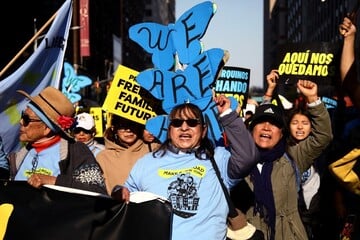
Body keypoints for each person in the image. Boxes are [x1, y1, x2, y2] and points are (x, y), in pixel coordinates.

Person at [112, 95, 260, 240]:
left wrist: (228, 115)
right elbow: (125, 196)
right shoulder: (147, 162)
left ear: (203, 130)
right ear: (170, 130)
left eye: (192, 122)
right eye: (177, 123)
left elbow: (248, 157)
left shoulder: (218, 158)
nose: (184, 128)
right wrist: (118, 191)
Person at [245, 80, 332, 240]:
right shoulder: (238, 161)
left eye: (273, 124)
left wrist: (313, 99)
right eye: (261, 122)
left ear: (281, 133)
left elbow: (323, 135)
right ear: (251, 129)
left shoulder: (293, 156)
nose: (266, 127)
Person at [9, 86, 107, 194]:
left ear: (46, 128)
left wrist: (54, 181)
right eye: (22, 116)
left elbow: (97, 189)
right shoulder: (20, 155)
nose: (21, 122)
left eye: (27, 119)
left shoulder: (76, 151)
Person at [96, 115, 158, 195]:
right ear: (114, 128)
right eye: (122, 126)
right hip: (117, 206)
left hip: (149, 205)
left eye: (132, 125)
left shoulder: (153, 149)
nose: (128, 130)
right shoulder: (103, 157)